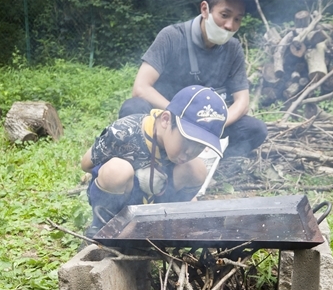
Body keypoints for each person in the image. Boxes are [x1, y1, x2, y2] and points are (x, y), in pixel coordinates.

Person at [119, 0, 267, 158]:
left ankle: (211, 161)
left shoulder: (233, 48)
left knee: (255, 129)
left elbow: (242, 102)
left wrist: (214, 125)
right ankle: (156, 157)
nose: (230, 25)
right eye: (224, 15)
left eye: (237, 19)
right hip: (168, 120)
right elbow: (141, 88)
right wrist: (180, 115)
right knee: (132, 108)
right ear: (205, 9)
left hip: (208, 125)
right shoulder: (172, 36)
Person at [81, 85, 228, 237]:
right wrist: (135, 171)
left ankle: (159, 229)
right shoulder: (124, 131)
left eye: (200, 145)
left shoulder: (183, 153)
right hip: (124, 199)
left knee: (197, 168)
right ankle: (104, 231)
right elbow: (86, 164)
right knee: (117, 170)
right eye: (187, 140)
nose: (190, 152)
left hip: (157, 202)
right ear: (165, 120)